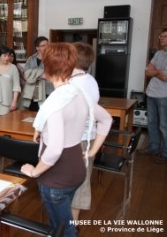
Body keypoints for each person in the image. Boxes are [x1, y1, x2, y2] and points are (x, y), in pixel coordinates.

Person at [20, 43, 112, 237]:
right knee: (64, 223)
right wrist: (93, 151)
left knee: (63, 229)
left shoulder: (56, 103)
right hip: (77, 168)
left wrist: (34, 171)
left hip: (56, 178)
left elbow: (53, 150)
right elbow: (106, 119)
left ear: (47, 69)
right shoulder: (80, 94)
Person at [69, 42, 100, 225]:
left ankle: (68, 225)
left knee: (73, 182)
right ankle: (72, 223)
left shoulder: (73, 83)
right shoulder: (90, 80)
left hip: (76, 138)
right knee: (82, 179)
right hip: (88, 137)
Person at [140, 28, 167, 163]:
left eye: (165, 36)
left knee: (164, 125)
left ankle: (165, 152)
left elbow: (165, 78)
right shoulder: (158, 53)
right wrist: (158, 72)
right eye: (161, 36)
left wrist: (154, 71)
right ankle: (153, 147)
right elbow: (147, 72)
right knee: (151, 122)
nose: (162, 39)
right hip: (151, 93)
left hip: (164, 95)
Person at [21, 36, 53, 111]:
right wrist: (41, 74)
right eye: (43, 45)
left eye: (47, 45)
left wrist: (33, 75)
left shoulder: (53, 59)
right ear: (37, 48)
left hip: (47, 92)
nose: (46, 47)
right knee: (32, 116)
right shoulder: (30, 59)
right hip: (33, 93)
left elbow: (50, 75)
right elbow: (26, 75)